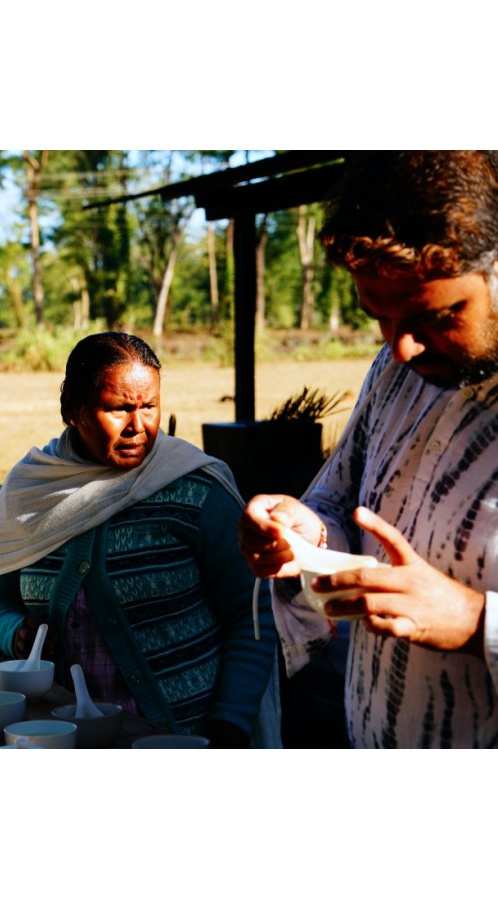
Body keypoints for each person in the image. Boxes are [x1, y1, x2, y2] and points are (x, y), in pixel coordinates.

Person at [237, 151, 498, 749]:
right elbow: (342, 498)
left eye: (434, 314)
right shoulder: (395, 368)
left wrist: (475, 621)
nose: (400, 347)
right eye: (376, 315)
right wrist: (307, 533)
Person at [0, 332, 278, 748]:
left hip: (180, 737)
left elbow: (253, 613)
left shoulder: (195, 488)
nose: (138, 427)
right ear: (71, 409)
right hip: (59, 734)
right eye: (117, 409)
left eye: (149, 406)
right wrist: (16, 632)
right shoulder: (32, 488)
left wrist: (231, 723)